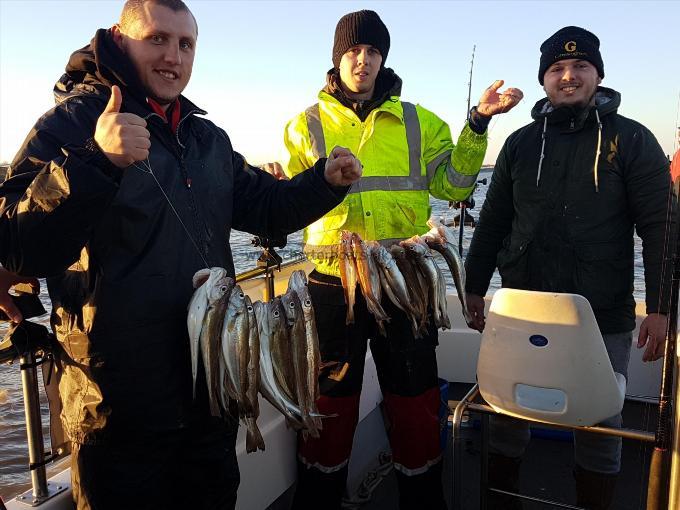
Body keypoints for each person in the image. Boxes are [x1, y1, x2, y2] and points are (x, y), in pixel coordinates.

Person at [0, 1, 362, 509]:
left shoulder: (205, 137)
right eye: (157, 39)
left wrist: (323, 184)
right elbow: (15, 242)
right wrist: (95, 162)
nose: (173, 56)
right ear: (119, 39)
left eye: (185, 44)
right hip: (117, 406)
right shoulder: (72, 123)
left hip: (211, 391)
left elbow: (265, 206)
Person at [263, 10, 522, 510]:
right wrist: (276, 185)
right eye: (353, 51)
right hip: (332, 281)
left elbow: (456, 185)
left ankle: (422, 498)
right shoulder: (304, 126)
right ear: (337, 59)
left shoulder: (420, 121)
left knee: (415, 396)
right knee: (329, 402)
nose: (363, 60)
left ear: (383, 59)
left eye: (373, 51)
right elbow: (292, 206)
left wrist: (477, 122)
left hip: (407, 276)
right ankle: (319, 498)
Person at [464, 26, 671, 510]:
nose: (569, 76)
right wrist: (474, 287)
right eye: (557, 69)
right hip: (523, 310)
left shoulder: (632, 140)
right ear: (544, 81)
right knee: (507, 416)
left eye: (580, 67)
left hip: (603, 314)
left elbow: (662, 229)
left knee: (599, 425)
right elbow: (492, 222)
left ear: (598, 74)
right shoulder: (518, 144)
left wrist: (661, 308)